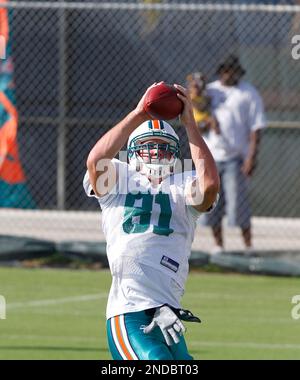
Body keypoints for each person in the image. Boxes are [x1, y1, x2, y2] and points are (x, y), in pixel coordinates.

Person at [83, 82, 219, 360]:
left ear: (175, 153)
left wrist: (190, 124)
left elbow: (210, 185)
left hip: (167, 311)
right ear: (132, 152)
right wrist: (139, 113)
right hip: (130, 310)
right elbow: (96, 159)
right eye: (148, 147)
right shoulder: (120, 179)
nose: (156, 154)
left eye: (163, 148)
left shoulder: (182, 187)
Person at [200, 55, 266, 254]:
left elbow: (256, 128)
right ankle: (218, 245)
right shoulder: (209, 91)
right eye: (226, 70)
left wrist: (251, 157)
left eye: (233, 71)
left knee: (239, 203)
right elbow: (198, 120)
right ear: (221, 72)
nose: (230, 74)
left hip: (235, 157)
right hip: (211, 156)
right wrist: (206, 120)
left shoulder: (248, 93)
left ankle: (248, 246)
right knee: (211, 202)